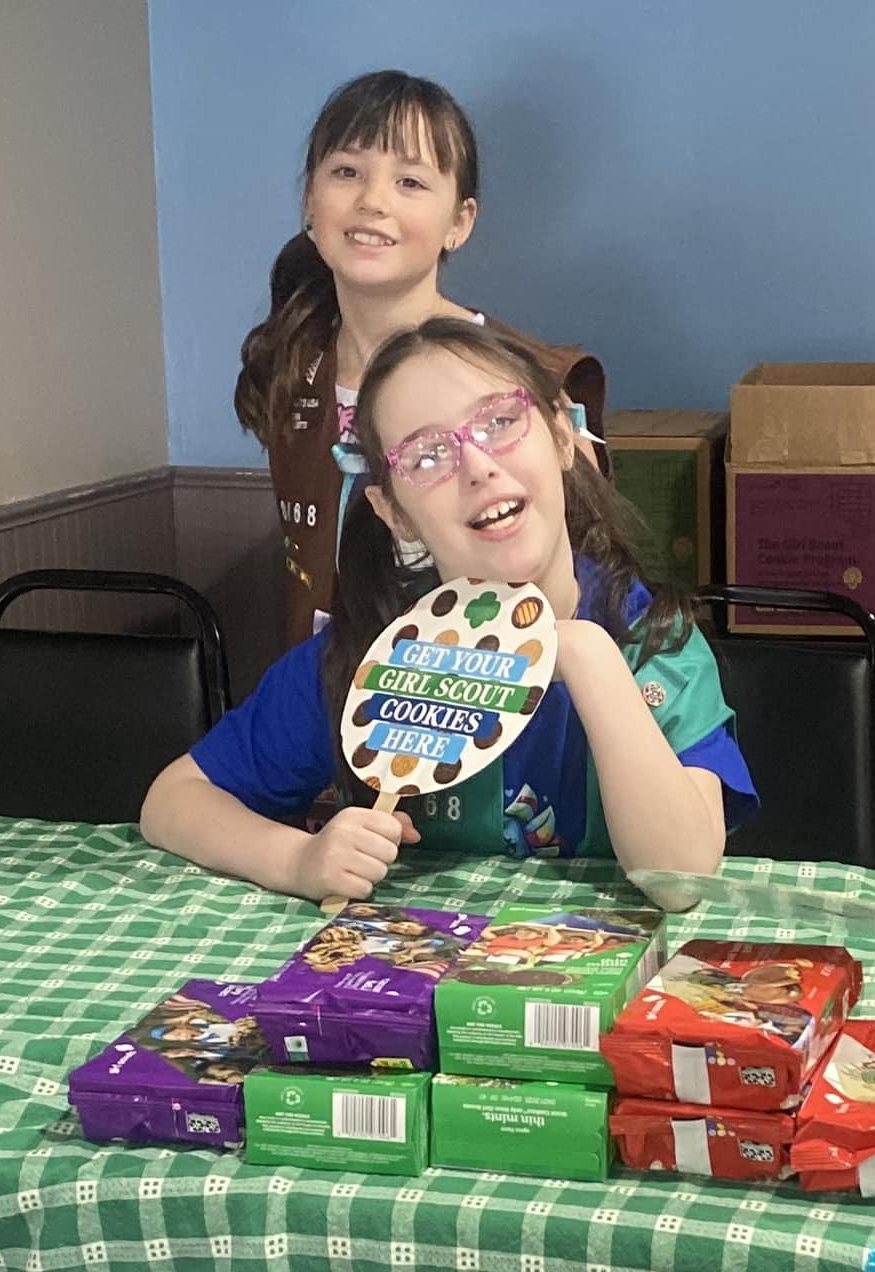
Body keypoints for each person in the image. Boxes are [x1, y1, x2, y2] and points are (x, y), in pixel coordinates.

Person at [141, 321, 754, 901]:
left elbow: (679, 878)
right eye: (427, 457)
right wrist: (296, 860)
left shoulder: (657, 645)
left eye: (500, 422)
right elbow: (173, 801)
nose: (478, 466)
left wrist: (590, 659)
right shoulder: (375, 658)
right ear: (395, 513)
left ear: (563, 438)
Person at [233, 70, 606, 646]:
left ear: (460, 222)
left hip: (496, 700)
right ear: (310, 199)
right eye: (347, 172)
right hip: (334, 701)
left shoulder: (528, 382)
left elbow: (594, 584)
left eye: (410, 181)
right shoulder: (290, 364)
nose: (372, 201)